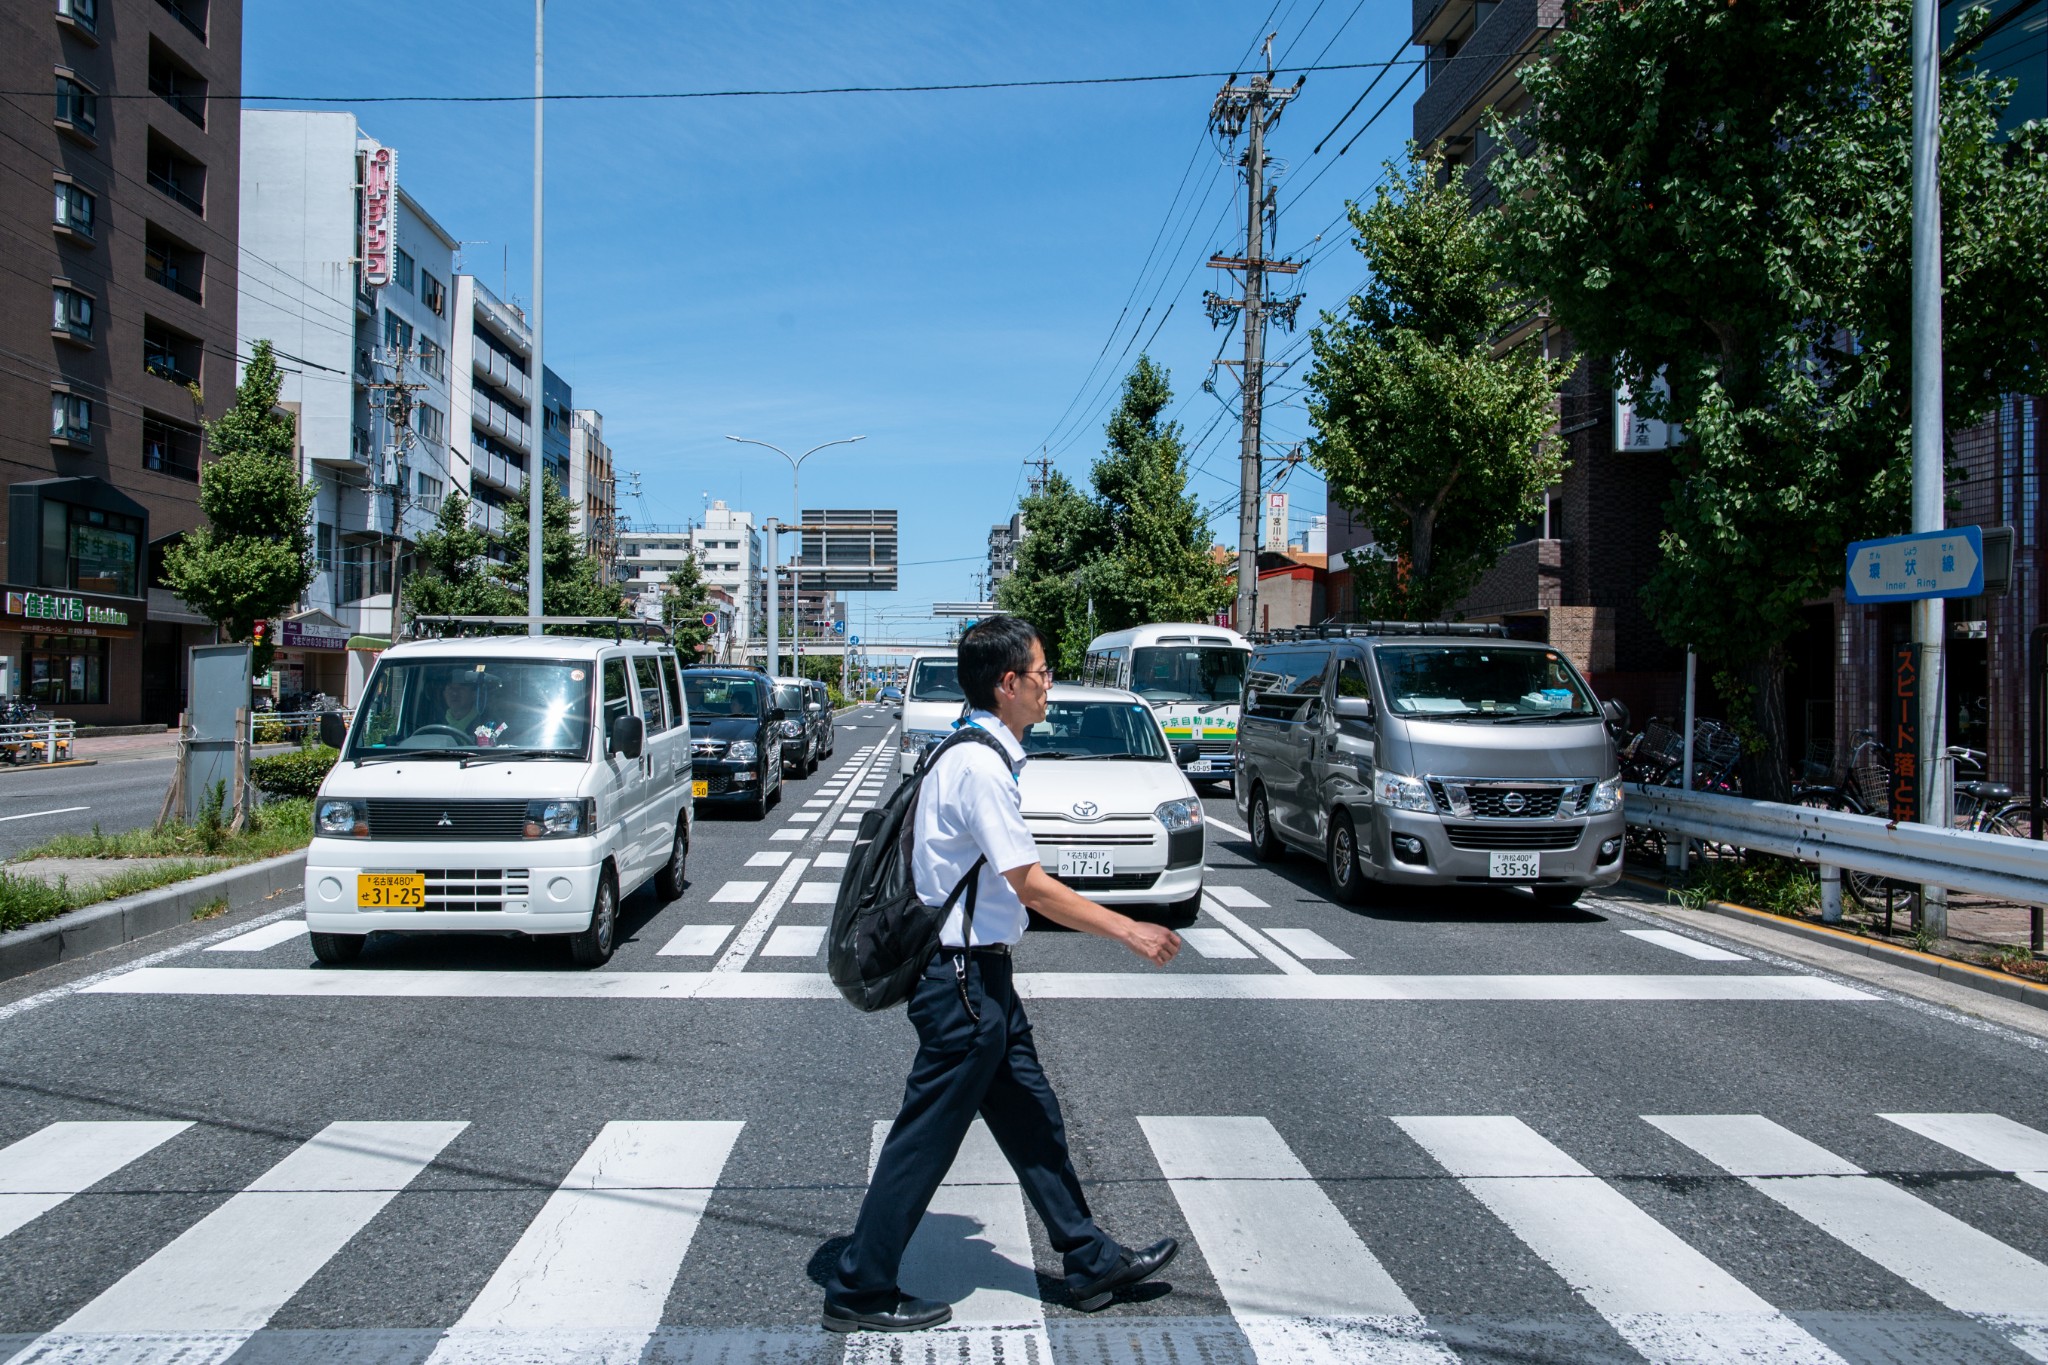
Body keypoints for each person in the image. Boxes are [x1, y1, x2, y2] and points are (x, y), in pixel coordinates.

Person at [822, 616, 1184, 1333]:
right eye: (1042, 671)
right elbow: (1030, 884)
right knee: (924, 1137)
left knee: (1033, 1118)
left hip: (979, 978)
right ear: (1008, 683)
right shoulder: (980, 766)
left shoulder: (972, 752)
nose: (1050, 684)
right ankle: (860, 1286)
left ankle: (1088, 1257)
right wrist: (1130, 929)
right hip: (960, 984)